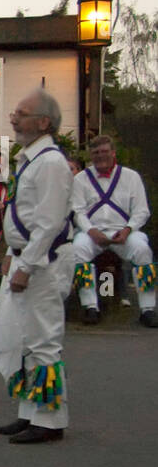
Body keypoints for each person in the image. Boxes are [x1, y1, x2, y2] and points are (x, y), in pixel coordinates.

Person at [0, 90, 75, 444]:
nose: (13, 118)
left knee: (43, 339)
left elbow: (50, 221)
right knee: (24, 339)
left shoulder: (51, 163)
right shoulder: (30, 159)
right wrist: (12, 251)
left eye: (21, 114)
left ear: (43, 122)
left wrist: (29, 264)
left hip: (44, 261)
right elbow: (23, 214)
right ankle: (30, 411)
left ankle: (51, 420)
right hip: (27, 255)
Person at [70, 134, 156, 327]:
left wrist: (127, 230)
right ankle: (90, 306)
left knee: (143, 251)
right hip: (92, 233)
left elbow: (142, 211)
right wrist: (92, 231)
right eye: (96, 153)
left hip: (124, 232)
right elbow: (78, 211)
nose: (100, 156)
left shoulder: (131, 177)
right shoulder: (81, 179)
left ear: (113, 153)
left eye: (104, 152)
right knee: (78, 250)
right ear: (91, 156)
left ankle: (148, 309)